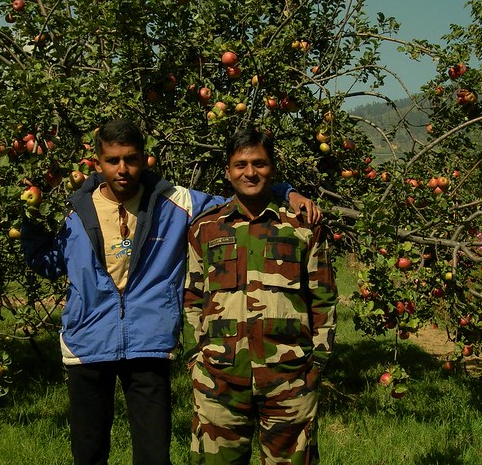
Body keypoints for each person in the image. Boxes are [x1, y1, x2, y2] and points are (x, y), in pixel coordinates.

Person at [20, 118, 322, 465]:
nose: (122, 169)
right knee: (88, 454)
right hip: (87, 343)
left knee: (153, 456)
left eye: (131, 159)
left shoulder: (177, 202)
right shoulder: (71, 208)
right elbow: (49, 262)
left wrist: (287, 191)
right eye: (113, 160)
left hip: (150, 342)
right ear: (97, 160)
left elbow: (246, 191)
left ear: (145, 158)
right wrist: (28, 219)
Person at [183, 127, 338, 465]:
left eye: (259, 163)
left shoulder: (302, 226)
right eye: (240, 165)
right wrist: (196, 359)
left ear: (273, 168)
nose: (250, 172)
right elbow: (192, 298)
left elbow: (323, 298)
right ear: (228, 171)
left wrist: (317, 363)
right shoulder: (205, 228)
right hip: (219, 381)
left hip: (289, 378)